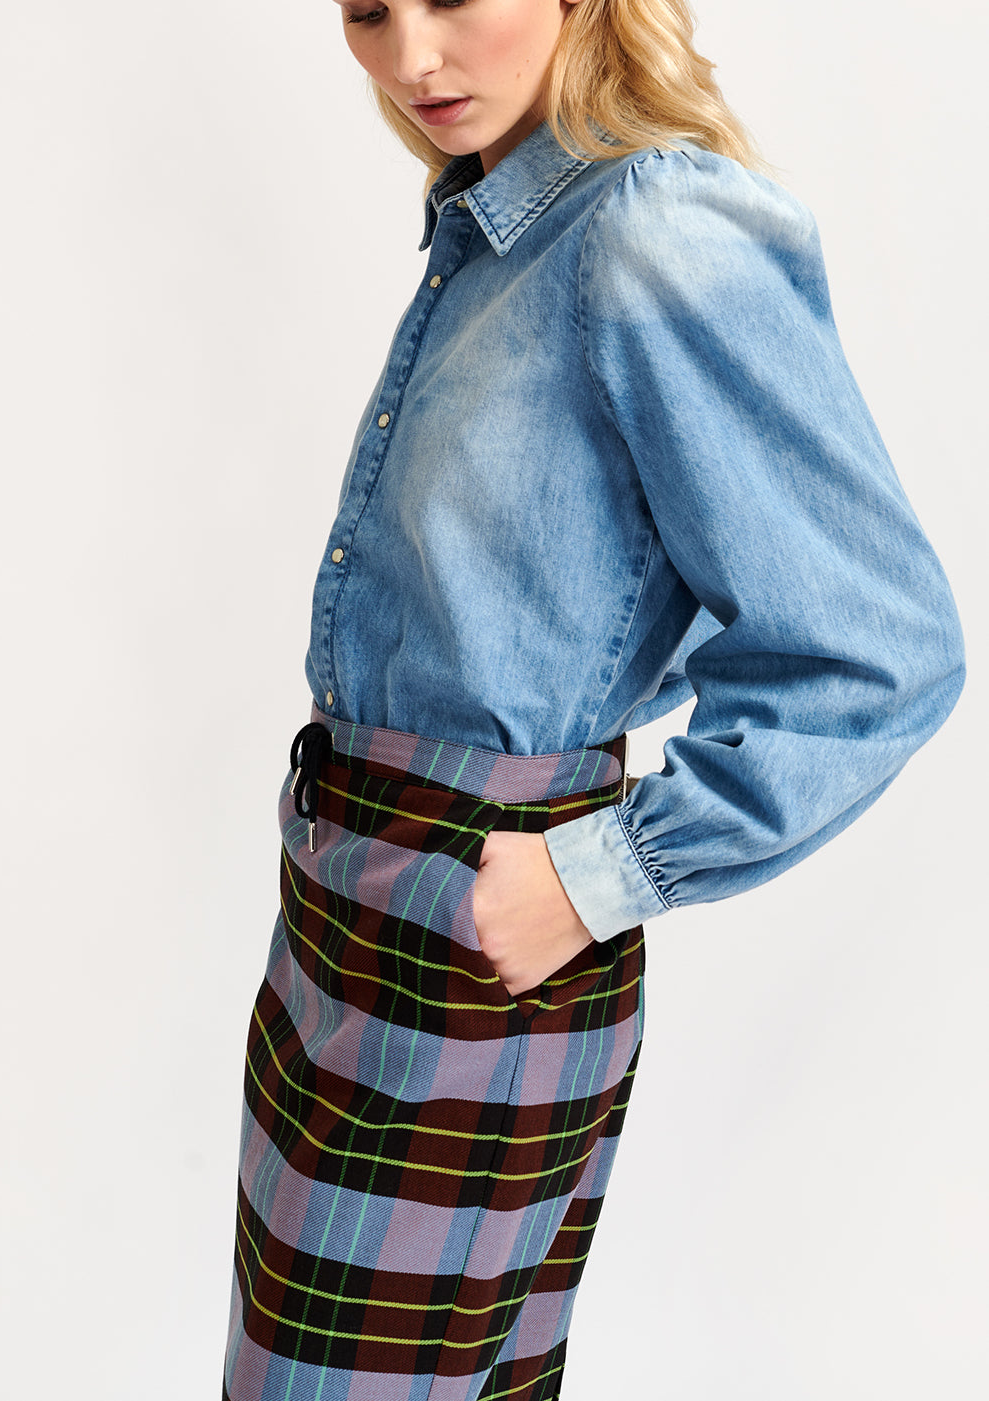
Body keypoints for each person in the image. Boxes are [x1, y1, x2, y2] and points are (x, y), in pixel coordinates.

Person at [222, 2, 964, 1398]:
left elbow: (878, 648)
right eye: (368, 11)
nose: (410, 59)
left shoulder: (653, 227)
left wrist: (599, 870)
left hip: (473, 942)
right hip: (339, 918)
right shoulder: (497, 229)